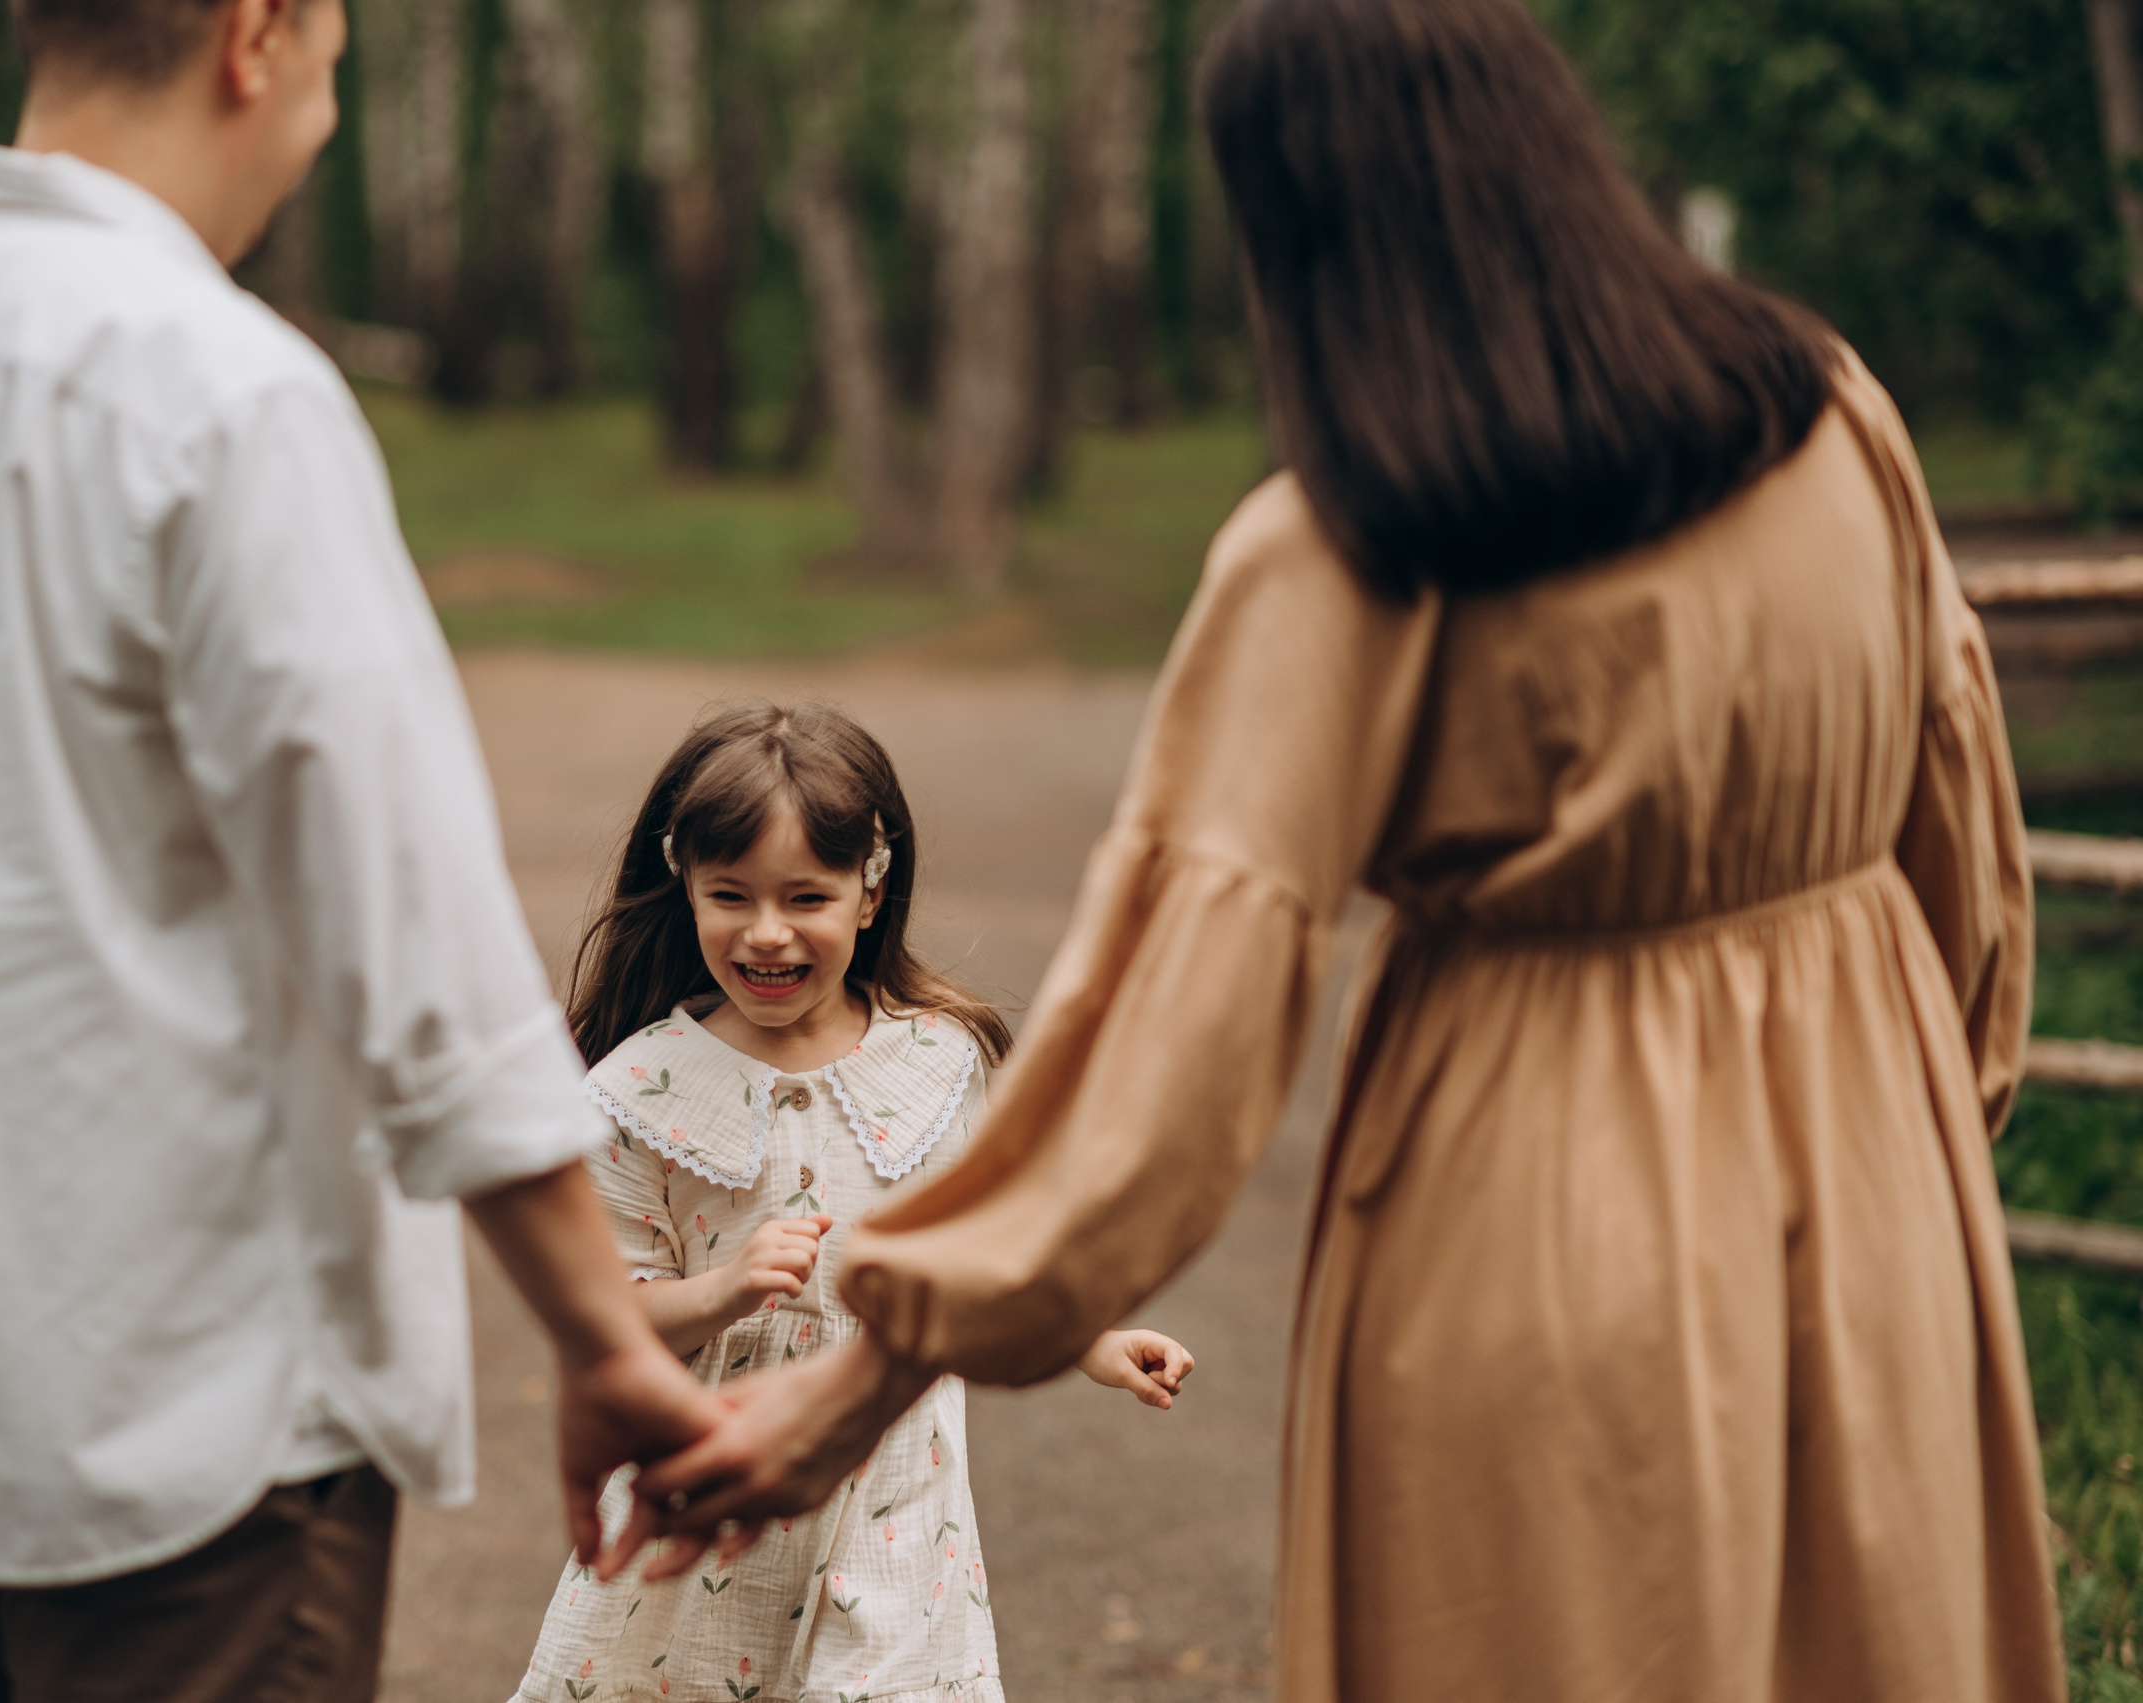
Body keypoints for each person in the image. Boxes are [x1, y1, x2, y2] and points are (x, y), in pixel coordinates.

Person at [621, 2, 2065, 1699]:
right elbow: (1958, 819)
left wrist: (864, 1380)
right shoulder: (1831, 416)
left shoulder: (1348, 544)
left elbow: (1171, 1046)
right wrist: (1921, 1128)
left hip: (1535, 1221)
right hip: (1874, 1182)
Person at [0, 1, 720, 1696]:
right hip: (193, 1418)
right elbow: (407, 920)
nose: (326, 108)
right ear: (257, 36)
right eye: (335, 55)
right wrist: (598, 1327)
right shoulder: (217, 385)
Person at [504, 704, 1193, 1703]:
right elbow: (606, 1312)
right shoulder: (636, 1090)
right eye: (729, 894)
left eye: (806, 896)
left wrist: (1088, 1336)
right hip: (716, 1499)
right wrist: (726, 1290)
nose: (767, 931)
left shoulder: (938, 1061)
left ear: (869, 894)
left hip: (898, 1508)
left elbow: (981, 1254)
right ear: (685, 888)